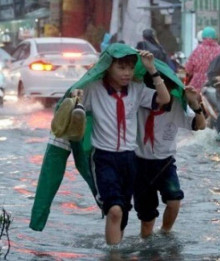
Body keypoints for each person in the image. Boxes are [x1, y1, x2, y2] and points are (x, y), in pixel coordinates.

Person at [68, 44, 170, 245]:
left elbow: (164, 99)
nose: (127, 73)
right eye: (121, 68)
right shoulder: (93, 89)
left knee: (122, 212)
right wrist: (75, 101)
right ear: (108, 67)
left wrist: (152, 70)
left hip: (130, 158)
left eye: (130, 68)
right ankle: (114, 256)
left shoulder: (137, 89)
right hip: (104, 158)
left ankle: (114, 249)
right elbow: (73, 106)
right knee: (114, 210)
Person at [134, 74, 206, 238]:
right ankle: (147, 244)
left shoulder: (175, 107)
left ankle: (165, 233)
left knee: (174, 201)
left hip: (165, 163)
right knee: (147, 217)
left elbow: (200, 125)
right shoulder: (138, 104)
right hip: (140, 164)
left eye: (169, 88)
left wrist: (195, 104)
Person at [185, 27, 220, 91]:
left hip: (197, 84)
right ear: (215, 37)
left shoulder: (197, 50)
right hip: (215, 84)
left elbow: (188, 69)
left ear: (202, 37)